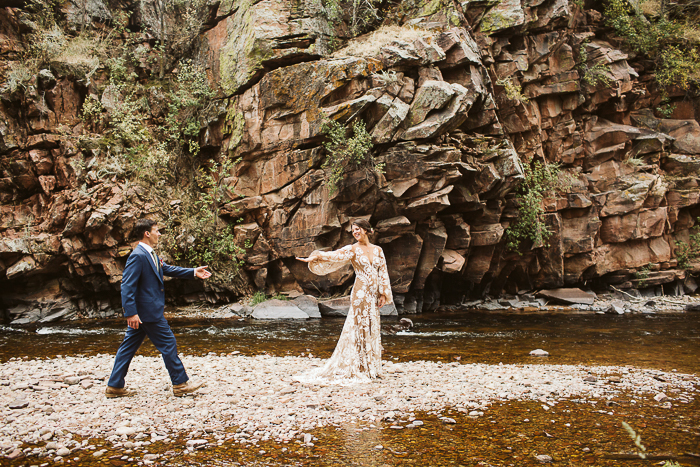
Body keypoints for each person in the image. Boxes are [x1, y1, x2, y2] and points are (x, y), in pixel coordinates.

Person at [105, 218, 212, 398]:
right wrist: (130, 313)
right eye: (157, 230)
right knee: (168, 343)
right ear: (147, 233)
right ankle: (180, 384)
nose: (159, 234)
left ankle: (114, 387)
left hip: (145, 312)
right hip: (147, 313)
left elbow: (166, 269)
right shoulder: (138, 255)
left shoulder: (149, 254)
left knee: (127, 348)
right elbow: (127, 286)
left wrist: (193, 272)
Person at [295, 219, 392, 383]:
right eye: (353, 230)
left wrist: (383, 293)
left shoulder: (378, 250)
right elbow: (334, 255)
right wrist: (316, 257)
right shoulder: (353, 249)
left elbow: (383, 271)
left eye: (358, 229)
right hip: (360, 293)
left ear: (367, 230)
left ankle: (370, 366)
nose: (355, 232)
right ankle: (359, 366)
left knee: (371, 325)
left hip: (373, 294)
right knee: (359, 326)